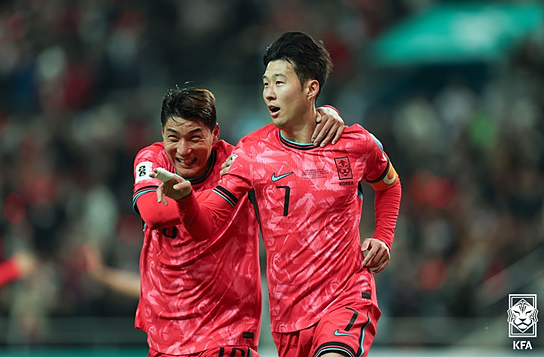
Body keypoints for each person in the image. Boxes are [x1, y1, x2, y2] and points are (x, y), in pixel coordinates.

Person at [156, 32, 402, 357]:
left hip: (346, 297)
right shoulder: (252, 153)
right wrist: (186, 199)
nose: (269, 94)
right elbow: (207, 225)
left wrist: (383, 237)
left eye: (279, 83)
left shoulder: (355, 144)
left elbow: (388, 184)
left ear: (311, 88)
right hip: (288, 319)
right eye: (265, 84)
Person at [133, 85, 344, 357]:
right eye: (174, 137)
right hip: (166, 332)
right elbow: (153, 213)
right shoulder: (151, 161)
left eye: (195, 137)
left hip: (227, 329)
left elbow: (296, 153)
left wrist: (324, 114)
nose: (183, 150)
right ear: (163, 135)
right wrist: (217, 193)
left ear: (215, 134)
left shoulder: (240, 163)